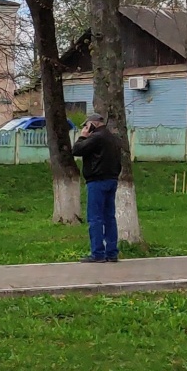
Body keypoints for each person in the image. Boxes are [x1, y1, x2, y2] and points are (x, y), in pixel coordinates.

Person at [71, 112, 125, 262]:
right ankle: (112, 253)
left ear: (92, 124)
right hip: (112, 180)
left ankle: (98, 253)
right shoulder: (113, 138)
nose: (86, 128)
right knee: (109, 217)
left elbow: (76, 150)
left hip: (97, 181)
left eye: (87, 125)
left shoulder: (96, 137)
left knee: (95, 218)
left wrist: (82, 136)